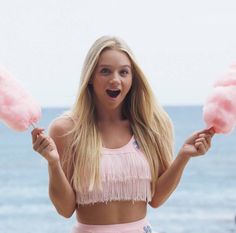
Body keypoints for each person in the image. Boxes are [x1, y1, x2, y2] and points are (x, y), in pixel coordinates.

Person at [31, 36, 215, 233]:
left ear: (132, 78)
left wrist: (183, 156)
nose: (115, 79)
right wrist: (53, 163)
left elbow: (157, 198)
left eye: (124, 72)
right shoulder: (66, 130)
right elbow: (65, 209)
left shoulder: (151, 126)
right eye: (105, 71)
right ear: (91, 77)